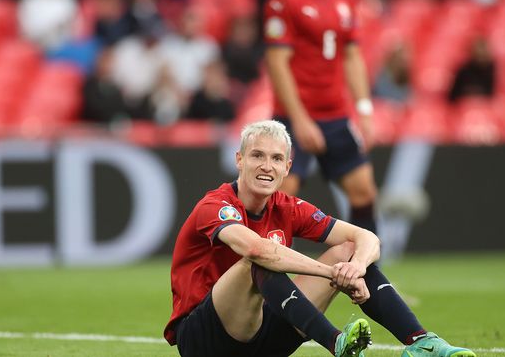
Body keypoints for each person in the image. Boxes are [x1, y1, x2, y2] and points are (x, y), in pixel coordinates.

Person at [164, 120, 476, 357]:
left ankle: (421, 342)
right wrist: (332, 274)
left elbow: (366, 237)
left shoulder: (287, 207)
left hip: (262, 336)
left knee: (349, 251)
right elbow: (258, 249)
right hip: (204, 338)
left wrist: (354, 267)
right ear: (239, 160)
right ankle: (337, 342)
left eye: (275, 159)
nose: (266, 166)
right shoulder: (215, 205)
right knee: (258, 260)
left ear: (287, 167)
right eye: (257, 155)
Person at [263, 0, 379, 235]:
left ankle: (366, 274)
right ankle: (267, 274)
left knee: (363, 192)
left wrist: (364, 110)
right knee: (281, 197)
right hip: (293, 118)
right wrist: (300, 119)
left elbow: (352, 57)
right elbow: (277, 62)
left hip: (335, 115)